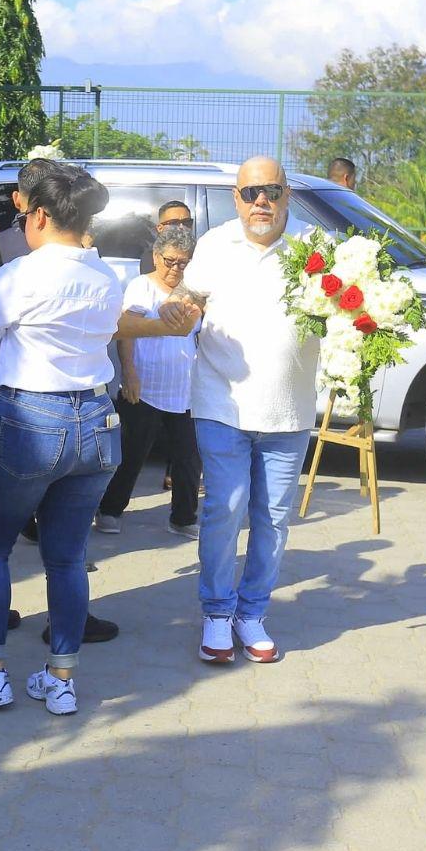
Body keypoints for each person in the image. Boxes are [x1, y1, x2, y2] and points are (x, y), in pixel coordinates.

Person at [0, 168, 122, 716]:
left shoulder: (19, 275)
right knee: (67, 556)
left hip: (30, 416)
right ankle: (61, 677)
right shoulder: (106, 276)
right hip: (97, 418)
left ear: (38, 216)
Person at [183, 156, 319, 666]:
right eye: (249, 193)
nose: (261, 201)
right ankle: (217, 612)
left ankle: (252, 612)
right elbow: (190, 298)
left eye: (271, 191)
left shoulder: (314, 248)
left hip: (290, 411)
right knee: (226, 507)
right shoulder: (215, 244)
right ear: (236, 198)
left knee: (275, 518)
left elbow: (345, 312)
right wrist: (177, 308)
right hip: (222, 403)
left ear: (288, 194)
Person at [95, 226, 203, 538]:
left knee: (188, 459)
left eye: (183, 263)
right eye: (170, 261)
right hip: (145, 387)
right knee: (132, 454)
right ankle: (110, 510)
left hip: (184, 390)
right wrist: (129, 375)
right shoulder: (141, 287)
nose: (175, 269)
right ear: (156, 257)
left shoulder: (192, 294)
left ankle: (183, 517)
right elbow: (126, 334)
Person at [139, 200, 194, 273]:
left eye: (187, 222)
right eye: (174, 223)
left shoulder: (200, 251)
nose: (181, 227)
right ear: (160, 228)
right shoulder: (152, 257)